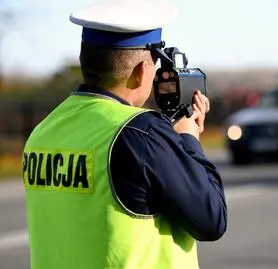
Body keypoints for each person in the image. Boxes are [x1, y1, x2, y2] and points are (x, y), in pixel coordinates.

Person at [21, 1, 227, 268]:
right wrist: (189, 139)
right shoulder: (139, 132)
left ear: (86, 59)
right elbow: (212, 219)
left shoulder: (43, 130)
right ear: (142, 71)